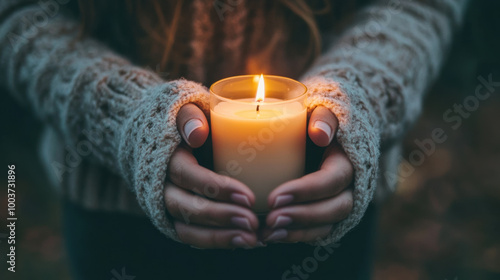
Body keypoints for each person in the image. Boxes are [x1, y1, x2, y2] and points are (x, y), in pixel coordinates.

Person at [0, 0, 468, 279]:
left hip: (322, 218)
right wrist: (122, 116)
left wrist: (357, 92)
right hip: (115, 223)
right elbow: (20, 16)